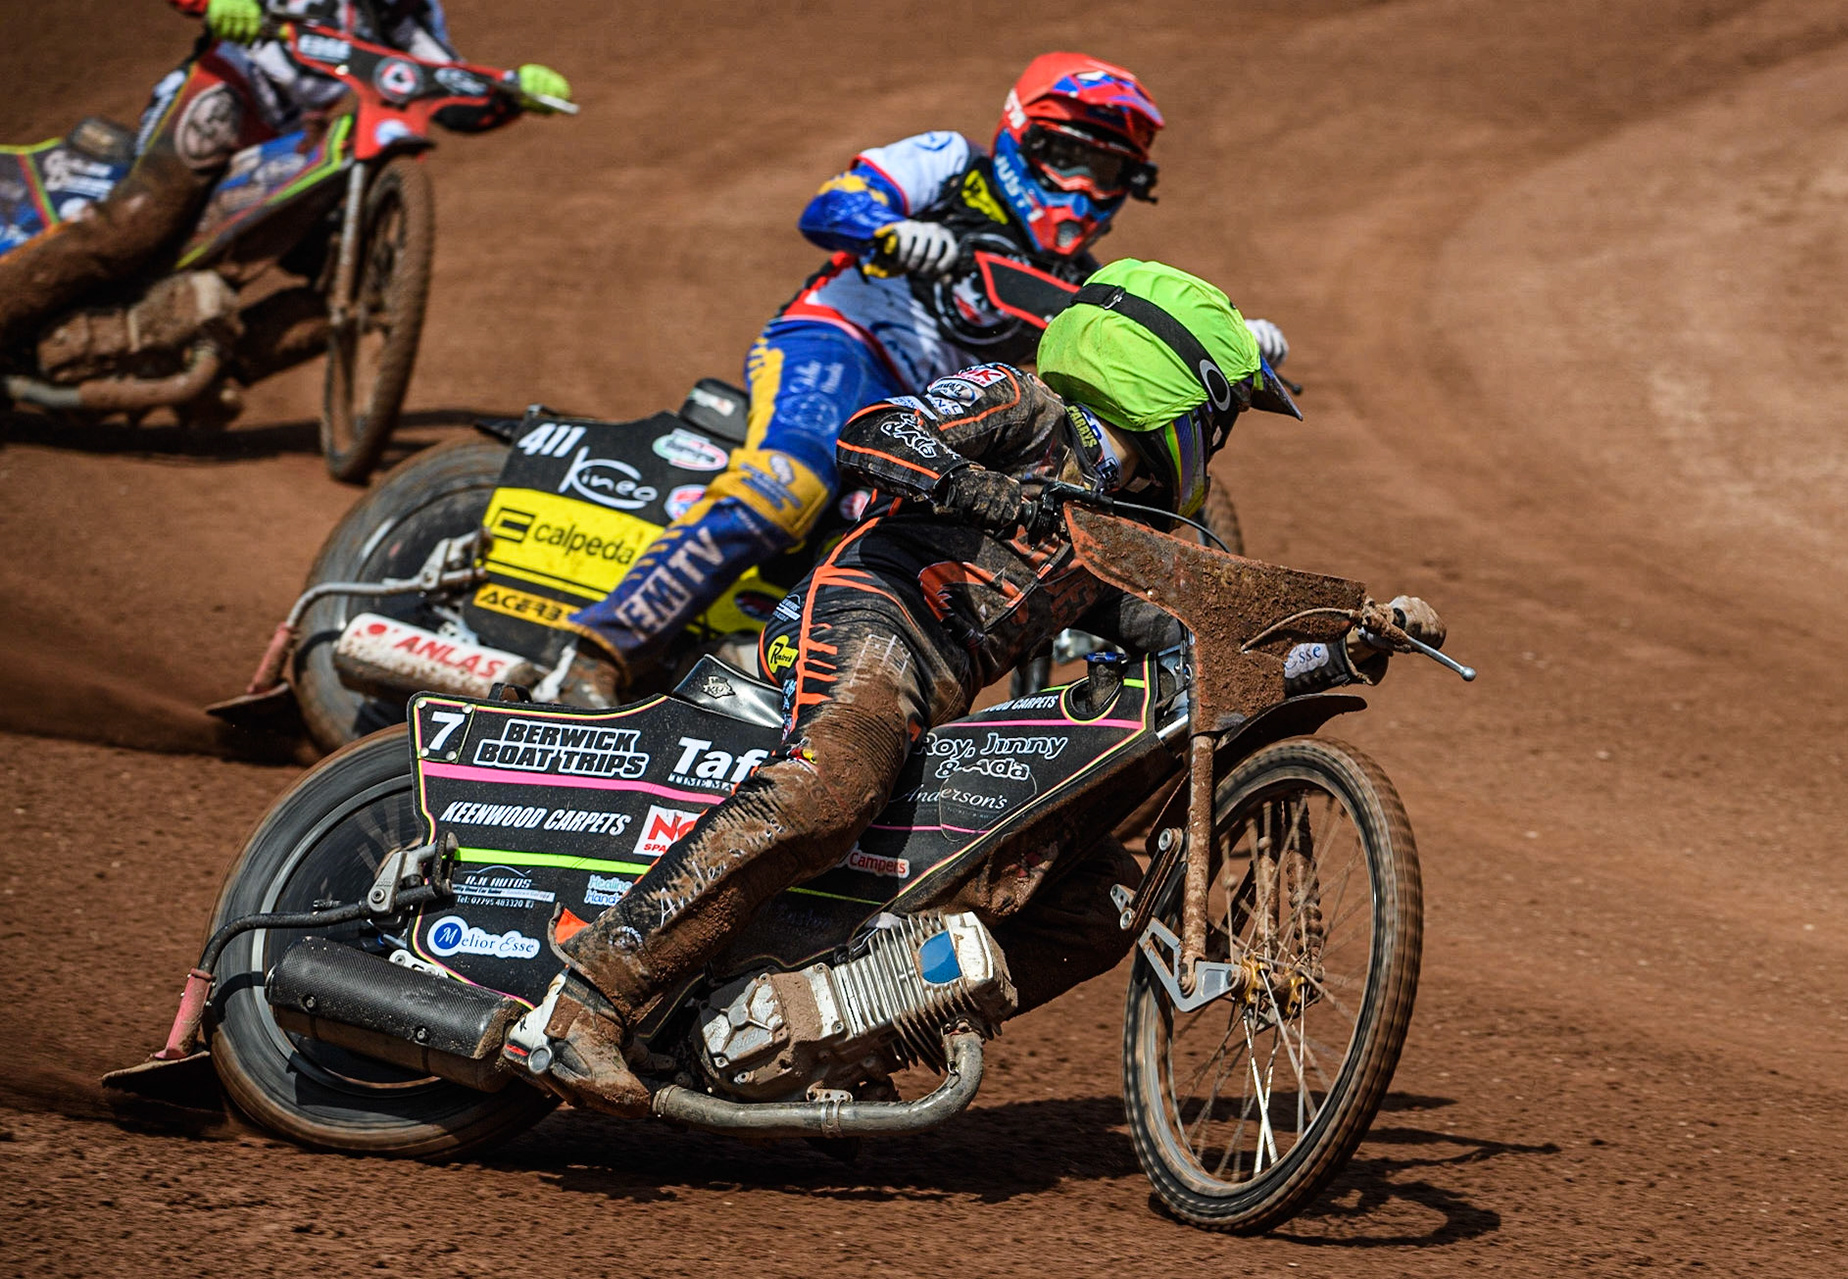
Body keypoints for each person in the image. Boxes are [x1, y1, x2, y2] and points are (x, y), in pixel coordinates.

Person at [503, 259, 1444, 1114]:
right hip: (867, 614)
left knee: (1097, 905)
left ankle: (841, 1028)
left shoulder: (1144, 531)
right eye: (1224, 414)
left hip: (942, 686)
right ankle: (591, 996)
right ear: (1172, 382)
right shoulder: (1022, 402)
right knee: (840, 779)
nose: (1221, 440)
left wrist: (1348, 638)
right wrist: (975, 485)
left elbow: (1207, 641)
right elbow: (877, 433)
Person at [556, 52, 1291, 705]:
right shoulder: (949, 164)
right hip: (839, 344)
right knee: (787, 485)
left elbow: (1127, 360)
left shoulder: (1081, 283)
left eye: (1106, 173)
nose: (1083, 187)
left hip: (948, 417)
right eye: (1070, 157)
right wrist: (889, 228)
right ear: (1025, 141)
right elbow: (828, 203)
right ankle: (595, 656)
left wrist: (1229, 351)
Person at [0, 0, 571, 345]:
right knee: (135, 225)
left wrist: (512, 93)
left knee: (349, 281)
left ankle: (208, 360)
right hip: (226, 92)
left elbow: (441, 86)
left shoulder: (406, 11)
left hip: (297, 142)